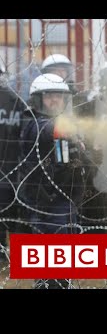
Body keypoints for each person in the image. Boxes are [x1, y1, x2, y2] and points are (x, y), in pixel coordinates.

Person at [17, 73, 91, 288]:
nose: (55, 100)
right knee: (52, 271)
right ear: (38, 99)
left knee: (61, 269)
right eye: (49, 96)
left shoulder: (62, 125)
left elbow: (71, 158)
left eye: (59, 95)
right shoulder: (32, 122)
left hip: (66, 200)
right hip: (47, 204)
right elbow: (45, 130)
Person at [0, 64, 25, 263]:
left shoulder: (15, 101)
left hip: (10, 173)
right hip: (10, 173)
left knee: (12, 217)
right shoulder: (15, 100)